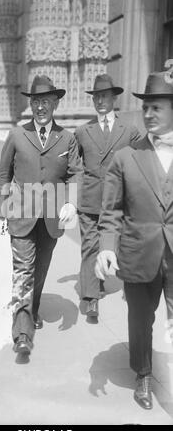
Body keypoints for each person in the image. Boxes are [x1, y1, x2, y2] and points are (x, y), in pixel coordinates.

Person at [95, 70, 173, 410]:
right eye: (146, 108)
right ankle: (142, 373)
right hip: (139, 253)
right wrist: (107, 249)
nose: (149, 114)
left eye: (157, 107)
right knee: (141, 319)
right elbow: (110, 211)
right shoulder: (125, 157)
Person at [0, 75, 81, 357]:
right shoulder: (17, 135)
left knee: (40, 270)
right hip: (20, 212)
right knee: (23, 270)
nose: (40, 107)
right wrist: (1, 209)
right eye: (35, 102)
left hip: (52, 216)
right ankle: (22, 332)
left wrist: (72, 202)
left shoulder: (67, 138)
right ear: (30, 104)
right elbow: (5, 173)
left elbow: (76, 172)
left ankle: (31, 308)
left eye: (45, 101)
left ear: (55, 103)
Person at [74, 74, 141, 321]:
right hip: (90, 201)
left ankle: (124, 284)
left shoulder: (129, 131)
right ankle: (91, 297)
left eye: (105, 96)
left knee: (117, 246)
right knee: (90, 247)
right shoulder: (82, 131)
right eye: (96, 96)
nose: (100, 100)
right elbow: (72, 165)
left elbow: (141, 160)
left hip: (118, 202)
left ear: (114, 98)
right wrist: (71, 198)